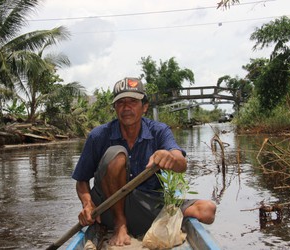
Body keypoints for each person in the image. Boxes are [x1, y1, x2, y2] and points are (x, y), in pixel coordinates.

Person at [72, 77, 216, 246]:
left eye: (133, 102)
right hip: (108, 208)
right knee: (116, 155)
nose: (126, 108)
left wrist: (170, 157)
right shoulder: (98, 136)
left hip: (147, 205)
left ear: (145, 107)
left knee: (207, 210)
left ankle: (154, 224)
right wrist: (88, 204)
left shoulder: (158, 130)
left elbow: (181, 163)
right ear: (115, 108)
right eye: (121, 103)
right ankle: (120, 225)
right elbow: (81, 180)